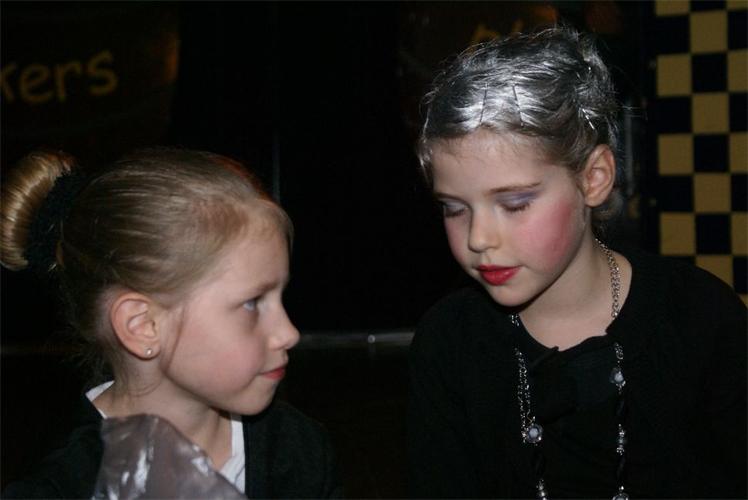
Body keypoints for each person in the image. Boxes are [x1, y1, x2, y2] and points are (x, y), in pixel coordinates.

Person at [407, 25, 746, 499]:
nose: (478, 238)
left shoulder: (699, 317)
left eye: (515, 204)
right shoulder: (450, 344)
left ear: (594, 178)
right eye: (454, 208)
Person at [1, 148, 341, 498]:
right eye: (252, 303)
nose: (289, 333)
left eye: (280, 296)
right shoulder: (64, 488)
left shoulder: (298, 452)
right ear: (144, 325)